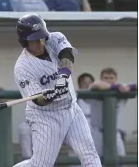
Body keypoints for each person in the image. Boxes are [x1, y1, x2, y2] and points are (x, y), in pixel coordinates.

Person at [13, 13, 102, 167]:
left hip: (71, 109)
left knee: (89, 154)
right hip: (46, 117)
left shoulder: (54, 38)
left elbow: (67, 57)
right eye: (34, 40)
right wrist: (53, 93)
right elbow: (39, 100)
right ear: (24, 41)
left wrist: (63, 77)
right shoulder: (22, 67)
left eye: (41, 37)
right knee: (41, 164)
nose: (40, 42)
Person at [88, 67, 137, 167]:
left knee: (121, 161)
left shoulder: (119, 88)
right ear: (101, 78)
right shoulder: (96, 87)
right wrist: (115, 87)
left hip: (115, 133)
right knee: (95, 163)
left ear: (115, 79)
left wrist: (130, 87)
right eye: (106, 78)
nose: (109, 80)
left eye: (111, 78)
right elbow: (96, 85)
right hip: (97, 133)